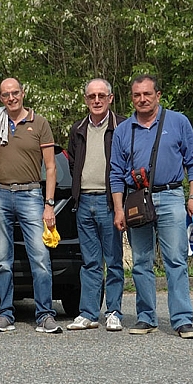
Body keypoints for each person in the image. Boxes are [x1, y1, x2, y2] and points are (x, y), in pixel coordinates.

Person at [110, 74, 193, 339]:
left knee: (176, 260)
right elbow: (115, 174)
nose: (142, 99)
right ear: (131, 98)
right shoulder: (124, 130)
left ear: (158, 95)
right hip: (137, 200)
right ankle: (146, 317)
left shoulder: (178, 122)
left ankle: (183, 320)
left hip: (171, 196)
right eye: (137, 95)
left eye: (147, 94)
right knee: (140, 261)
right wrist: (119, 209)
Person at [0, 78, 63, 334]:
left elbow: (51, 167)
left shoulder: (39, 123)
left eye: (15, 93)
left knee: (40, 259)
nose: (11, 98)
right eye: (6, 94)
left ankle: (44, 314)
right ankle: (5, 314)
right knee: (2, 261)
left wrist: (49, 204)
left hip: (31, 195)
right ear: (1, 98)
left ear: (23, 93)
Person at [66, 79, 126, 332]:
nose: (97, 100)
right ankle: (88, 313)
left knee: (113, 260)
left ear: (110, 98)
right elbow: (72, 165)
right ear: (85, 99)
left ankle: (113, 311)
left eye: (102, 95)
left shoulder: (122, 126)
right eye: (92, 96)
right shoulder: (77, 128)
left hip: (110, 202)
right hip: (84, 202)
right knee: (89, 262)